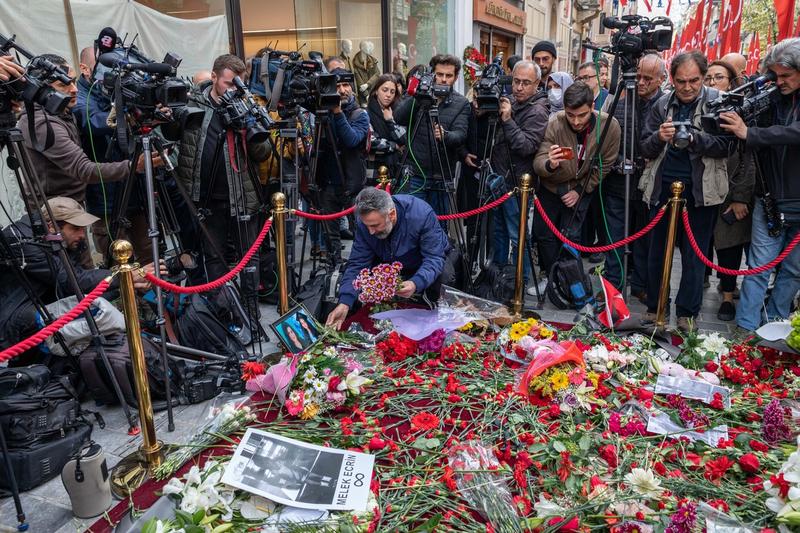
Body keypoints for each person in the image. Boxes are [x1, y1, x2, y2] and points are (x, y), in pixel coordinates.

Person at [639, 51, 733, 332]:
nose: (688, 87)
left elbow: (726, 146)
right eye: (681, 81)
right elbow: (644, 146)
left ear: (703, 78)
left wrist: (693, 138)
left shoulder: (718, 103)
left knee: (695, 255)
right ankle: (656, 307)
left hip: (701, 191)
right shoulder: (660, 104)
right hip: (662, 189)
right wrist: (659, 137)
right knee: (657, 253)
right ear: (672, 79)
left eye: (694, 80)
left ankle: (687, 313)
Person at [174, 54, 271, 311]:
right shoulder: (193, 105)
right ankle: (224, 310)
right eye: (229, 83)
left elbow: (264, 153)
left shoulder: (246, 105)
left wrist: (248, 125)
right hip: (206, 198)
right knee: (213, 258)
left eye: (240, 84)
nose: (235, 89)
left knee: (249, 259)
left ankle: (251, 312)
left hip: (243, 195)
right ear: (214, 77)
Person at [0, 198, 161, 352]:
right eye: (76, 228)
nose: (83, 235)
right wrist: (124, 276)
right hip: (15, 318)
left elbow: (81, 282)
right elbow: (71, 280)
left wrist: (126, 285)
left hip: (46, 304)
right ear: (51, 227)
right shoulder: (23, 243)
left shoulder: (61, 240)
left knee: (102, 307)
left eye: (83, 229)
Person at [720, 38, 800, 332]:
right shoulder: (773, 95)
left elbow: (793, 133)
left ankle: (775, 327)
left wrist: (750, 133)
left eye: (786, 76)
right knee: (758, 269)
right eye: (775, 75)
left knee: (793, 271)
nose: (780, 82)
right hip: (769, 199)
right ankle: (745, 330)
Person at [325, 187, 455, 329]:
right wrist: (345, 302)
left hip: (422, 261)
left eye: (375, 225)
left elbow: (434, 258)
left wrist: (416, 282)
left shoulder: (421, 214)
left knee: (444, 276)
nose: (371, 231)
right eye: (367, 225)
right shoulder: (366, 222)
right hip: (388, 260)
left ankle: (435, 318)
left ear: (391, 215)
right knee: (360, 279)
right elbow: (358, 263)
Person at [532, 83, 620, 275]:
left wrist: (580, 190)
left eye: (582, 115)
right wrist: (550, 164)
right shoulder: (555, 122)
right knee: (544, 234)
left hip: (583, 186)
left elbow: (606, 164)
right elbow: (539, 161)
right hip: (552, 186)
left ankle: (570, 280)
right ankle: (550, 275)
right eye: (571, 115)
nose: (576, 121)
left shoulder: (609, 126)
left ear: (592, 107)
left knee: (571, 236)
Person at [600, 53, 667, 301]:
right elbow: (605, 141)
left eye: (648, 78)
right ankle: (612, 285)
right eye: (637, 76)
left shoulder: (666, 104)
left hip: (650, 186)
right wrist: (618, 161)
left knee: (646, 238)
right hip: (619, 182)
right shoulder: (619, 103)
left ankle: (640, 283)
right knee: (615, 237)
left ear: (661, 79)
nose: (640, 82)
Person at [489, 60, 549, 290]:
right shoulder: (511, 101)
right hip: (500, 178)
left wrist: (507, 119)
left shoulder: (538, 110)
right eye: (516, 81)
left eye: (526, 83)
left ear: (537, 84)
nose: (519, 87)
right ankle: (499, 277)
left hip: (518, 184)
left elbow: (526, 146)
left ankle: (520, 282)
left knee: (518, 235)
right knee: (499, 232)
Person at [704, 61, 755, 322]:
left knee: (732, 245)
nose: (713, 83)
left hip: (734, 191)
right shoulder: (703, 109)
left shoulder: (744, 111)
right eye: (709, 78)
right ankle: (713, 286)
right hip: (707, 189)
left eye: (719, 77)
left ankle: (727, 295)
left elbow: (749, 158)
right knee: (710, 244)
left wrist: (740, 197)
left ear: (732, 81)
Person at [395, 54, 470, 217]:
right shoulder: (418, 94)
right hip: (415, 174)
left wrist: (446, 136)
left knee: (438, 227)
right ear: (432, 74)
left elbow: (461, 134)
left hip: (441, 176)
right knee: (411, 223)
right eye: (439, 74)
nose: (443, 79)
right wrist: (418, 96)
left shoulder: (461, 103)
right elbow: (399, 117)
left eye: (448, 75)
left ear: (456, 77)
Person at [315, 67, 370, 266]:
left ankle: (358, 268)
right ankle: (333, 267)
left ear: (353, 89)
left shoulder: (359, 115)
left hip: (352, 184)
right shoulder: (321, 113)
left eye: (346, 85)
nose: (342, 90)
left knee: (361, 233)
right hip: (328, 183)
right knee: (331, 237)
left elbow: (351, 140)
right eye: (336, 86)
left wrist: (337, 113)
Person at [366, 73, 406, 181]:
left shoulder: (398, 113)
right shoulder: (366, 113)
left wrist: (390, 121)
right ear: (376, 91)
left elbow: (404, 138)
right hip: (374, 171)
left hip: (395, 171)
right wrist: (395, 146)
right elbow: (372, 142)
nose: (388, 95)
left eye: (392, 92)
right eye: (385, 90)